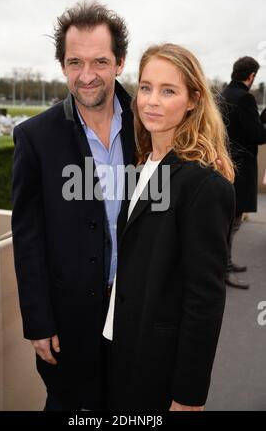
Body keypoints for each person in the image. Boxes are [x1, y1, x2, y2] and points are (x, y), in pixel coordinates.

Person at [11, 0, 134, 410]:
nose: (86, 76)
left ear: (119, 63)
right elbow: (28, 239)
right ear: (62, 65)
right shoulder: (35, 137)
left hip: (138, 312)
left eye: (99, 61)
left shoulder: (151, 125)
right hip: (69, 320)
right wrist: (38, 321)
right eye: (74, 62)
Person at [103, 43, 235, 411]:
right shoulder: (142, 165)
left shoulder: (205, 186)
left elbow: (204, 300)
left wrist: (188, 396)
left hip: (156, 364)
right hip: (118, 342)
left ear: (193, 100)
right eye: (145, 87)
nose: (152, 101)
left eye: (168, 90)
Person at [221, 57, 266, 289]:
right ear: (251, 76)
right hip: (241, 169)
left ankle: (226, 263)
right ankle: (225, 269)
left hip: (223, 167)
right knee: (232, 223)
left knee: (227, 221)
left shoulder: (222, 95)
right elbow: (257, 135)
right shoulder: (246, 98)